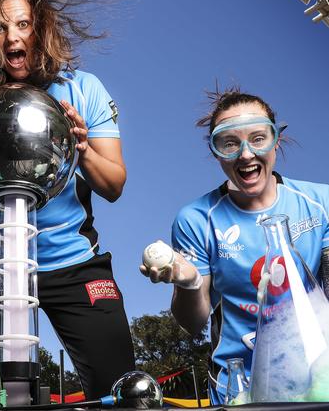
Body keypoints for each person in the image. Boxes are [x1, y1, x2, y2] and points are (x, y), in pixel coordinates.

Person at [0, 0, 136, 407]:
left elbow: (114, 184)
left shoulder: (83, 87)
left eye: (23, 24)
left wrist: (82, 148)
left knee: (120, 391)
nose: (12, 37)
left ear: (40, 28)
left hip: (72, 261)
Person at [139, 88, 329, 405]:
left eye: (257, 139)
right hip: (238, 387)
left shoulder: (321, 202)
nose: (245, 154)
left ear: (276, 140)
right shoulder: (196, 220)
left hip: (319, 377)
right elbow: (192, 323)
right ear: (216, 152)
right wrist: (190, 283)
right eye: (229, 143)